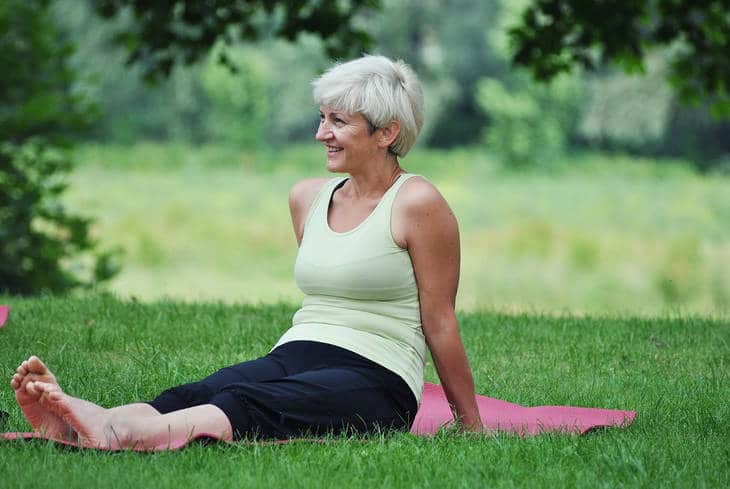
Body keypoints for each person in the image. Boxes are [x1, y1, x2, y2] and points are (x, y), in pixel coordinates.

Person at [10, 55, 482, 449]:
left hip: (378, 376)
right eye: (322, 117)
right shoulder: (308, 198)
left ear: (386, 133)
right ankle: (86, 424)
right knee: (208, 390)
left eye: (339, 121)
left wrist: (470, 425)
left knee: (246, 405)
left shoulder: (417, 202)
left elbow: (438, 319)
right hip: (299, 350)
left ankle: (116, 432)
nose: (322, 133)